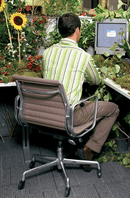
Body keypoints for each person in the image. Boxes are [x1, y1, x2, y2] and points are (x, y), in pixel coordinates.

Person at [42, 12, 119, 172]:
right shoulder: (83, 56)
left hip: (47, 113)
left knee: (81, 98)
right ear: (77, 30)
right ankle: (89, 147)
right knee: (113, 109)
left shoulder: (47, 52)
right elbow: (96, 81)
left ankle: (76, 143)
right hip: (70, 116)